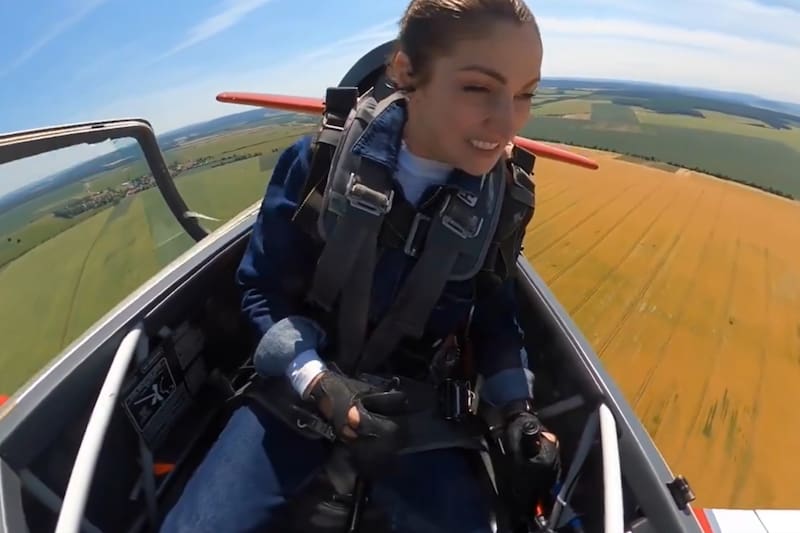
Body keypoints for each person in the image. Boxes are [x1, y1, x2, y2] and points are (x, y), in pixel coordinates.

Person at [159, 1, 560, 531]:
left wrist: (517, 414)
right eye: (478, 88)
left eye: (525, 94)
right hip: (298, 395)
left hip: (416, 412)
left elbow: (493, 315)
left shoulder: (501, 203)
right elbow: (261, 291)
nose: (508, 121)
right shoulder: (318, 166)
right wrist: (318, 384)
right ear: (405, 72)